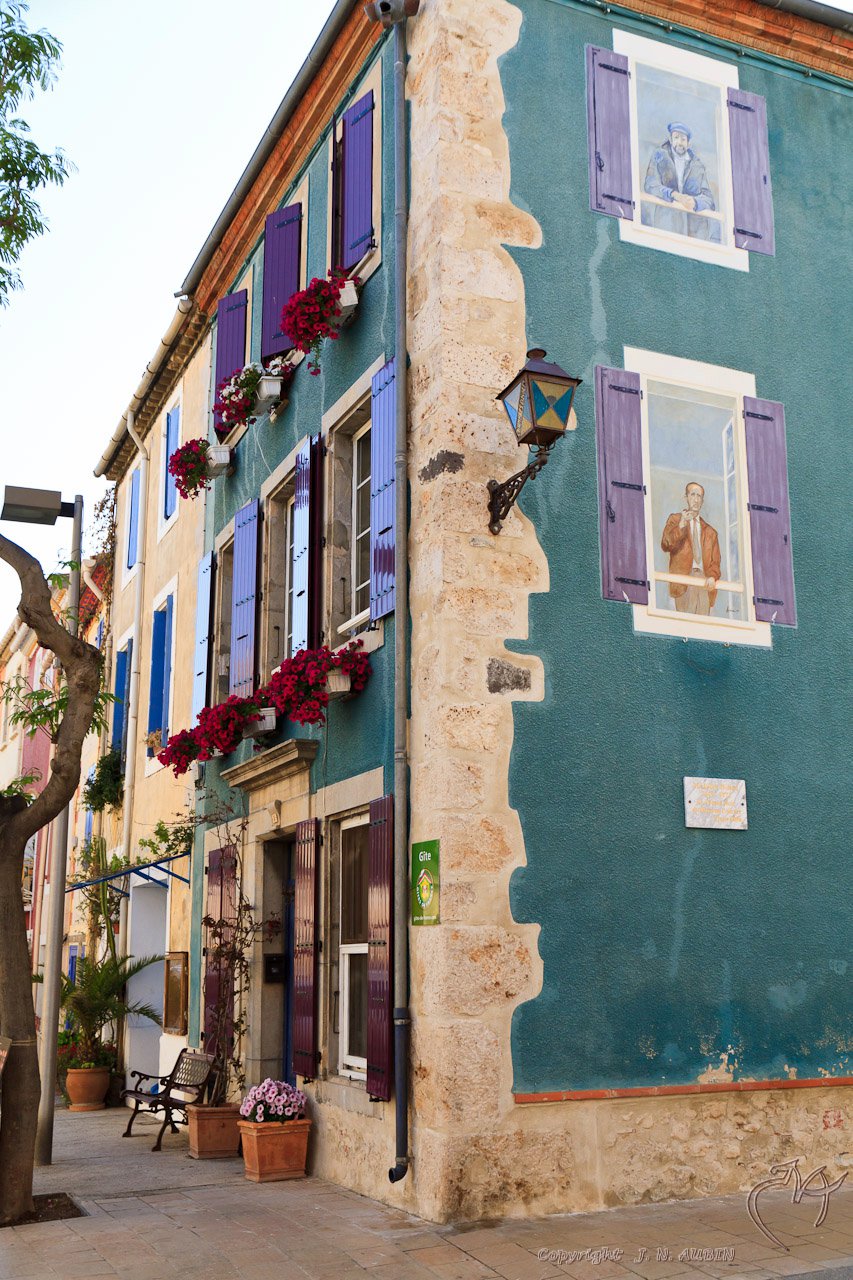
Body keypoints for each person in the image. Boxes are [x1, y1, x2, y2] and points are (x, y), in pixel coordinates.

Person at [643, 122, 717, 240]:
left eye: (683, 139)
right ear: (670, 140)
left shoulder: (697, 166)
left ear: (688, 143)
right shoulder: (660, 156)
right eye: (676, 137)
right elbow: (650, 185)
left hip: (693, 232)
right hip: (667, 225)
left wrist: (695, 202)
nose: (679, 142)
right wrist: (674, 195)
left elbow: (709, 199)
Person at [660, 482, 721, 616]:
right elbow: (666, 544)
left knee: (702, 624)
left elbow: (715, 562)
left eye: (699, 496)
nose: (696, 499)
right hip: (683, 583)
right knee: (684, 622)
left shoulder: (711, 532)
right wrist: (681, 524)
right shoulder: (675, 520)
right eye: (692, 494)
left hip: (704, 583)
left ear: (702, 501)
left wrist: (712, 576)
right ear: (686, 497)